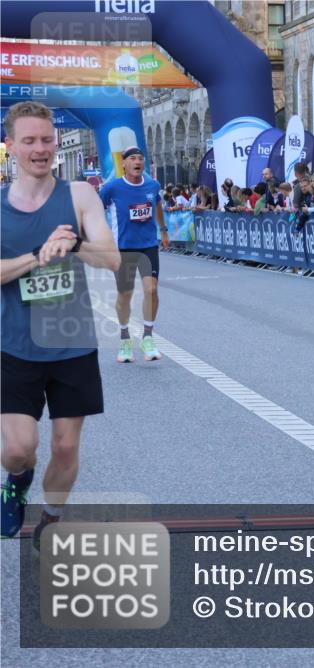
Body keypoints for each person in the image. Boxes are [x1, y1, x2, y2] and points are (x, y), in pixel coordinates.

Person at [1, 101, 121, 545]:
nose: (40, 149)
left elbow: (110, 258)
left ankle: (51, 518)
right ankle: (17, 482)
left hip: (72, 342)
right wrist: (37, 257)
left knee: (67, 447)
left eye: (46, 140)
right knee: (16, 449)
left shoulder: (79, 196)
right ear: (10, 145)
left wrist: (72, 247)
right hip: (13, 343)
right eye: (29, 141)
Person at [98, 146, 168, 363]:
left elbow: (156, 203)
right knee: (125, 295)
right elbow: (94, 210)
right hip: (124, 248)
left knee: (152, 289)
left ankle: (147, 337)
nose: (138, 162)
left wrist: (163, 230)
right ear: (125, 164)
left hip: (148, 245)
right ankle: (125, 339)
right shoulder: (112, 188)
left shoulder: (152, 185)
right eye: (133, 159)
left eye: (141, 159)